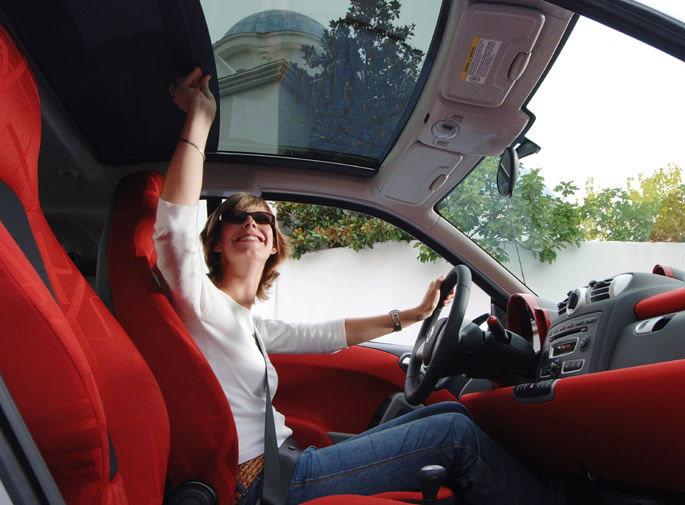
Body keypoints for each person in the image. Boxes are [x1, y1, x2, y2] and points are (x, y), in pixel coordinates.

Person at [154, 67, 558, 505]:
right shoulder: (200, 302)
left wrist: (416, 315)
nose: (250, 222)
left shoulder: (246, 323)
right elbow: (173, 232)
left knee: (448, 410)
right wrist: (199, 116)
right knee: (454, 433)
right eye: (235, 216)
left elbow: (326, 335)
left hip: (284, 465)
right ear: (215, 241)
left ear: (273, 242)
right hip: (262, 485)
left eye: (262, 218)